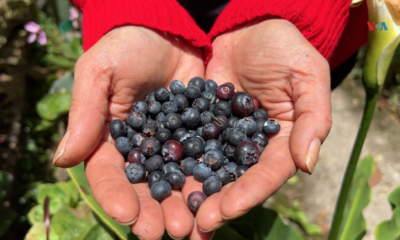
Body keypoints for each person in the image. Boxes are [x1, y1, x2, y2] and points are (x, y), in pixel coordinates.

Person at [52, 0, 368, 239]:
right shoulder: (165, 132)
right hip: (159, 25)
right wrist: (131, 11)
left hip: (313, 35)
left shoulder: (230, 123)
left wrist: (294, 10)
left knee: (245, 186)